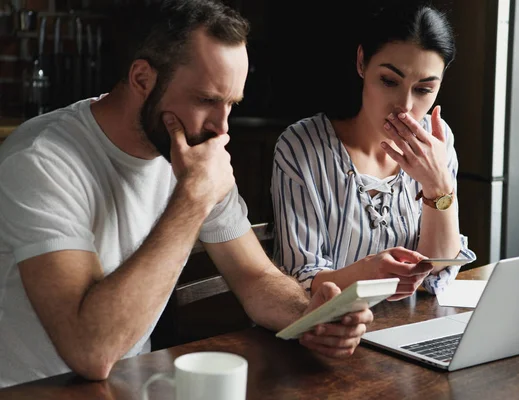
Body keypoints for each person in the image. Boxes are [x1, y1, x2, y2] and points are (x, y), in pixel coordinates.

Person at [0, 0, 372, 388]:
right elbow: (92, 352)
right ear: (142, 79)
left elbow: (255, 278)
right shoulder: (40, 161)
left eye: (231, 104)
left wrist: (312, 316)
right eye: (207, 100)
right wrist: (193, 197)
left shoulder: (194, 148)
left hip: (124, 387)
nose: (221, 127)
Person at [271, 0, 476, 299]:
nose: (404, 106)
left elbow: (436, 269)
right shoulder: (301, 147)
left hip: (408, 325)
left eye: (423, 89)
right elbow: (300, 280)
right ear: (361, 62)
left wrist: (438, 185)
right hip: (329, 331)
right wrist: (367, 273)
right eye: (389, 81)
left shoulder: (438, 140)